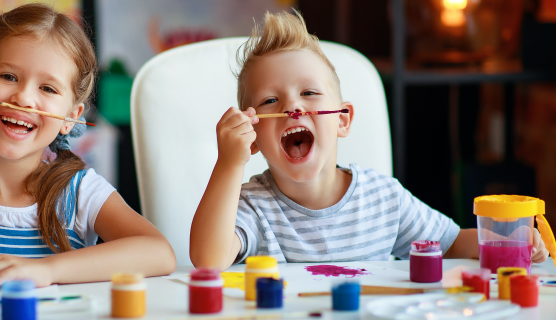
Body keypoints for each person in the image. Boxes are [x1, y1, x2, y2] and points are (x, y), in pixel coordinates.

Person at [189, 10, 547, 270]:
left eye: (309, 93)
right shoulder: (252, 206)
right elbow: (208, 259)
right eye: (270, 101)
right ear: (253, 134)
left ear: (343, 120)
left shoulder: (383, 198)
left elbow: (454, 245)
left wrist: (511, 243)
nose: (292, 108)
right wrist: (228, 163)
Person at [0, 3, 175, 291]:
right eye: (8, 77)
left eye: (48, 88)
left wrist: (45, 269)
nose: (24, 98)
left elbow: (160, 253)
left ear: (71, 118)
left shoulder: (81, 192)